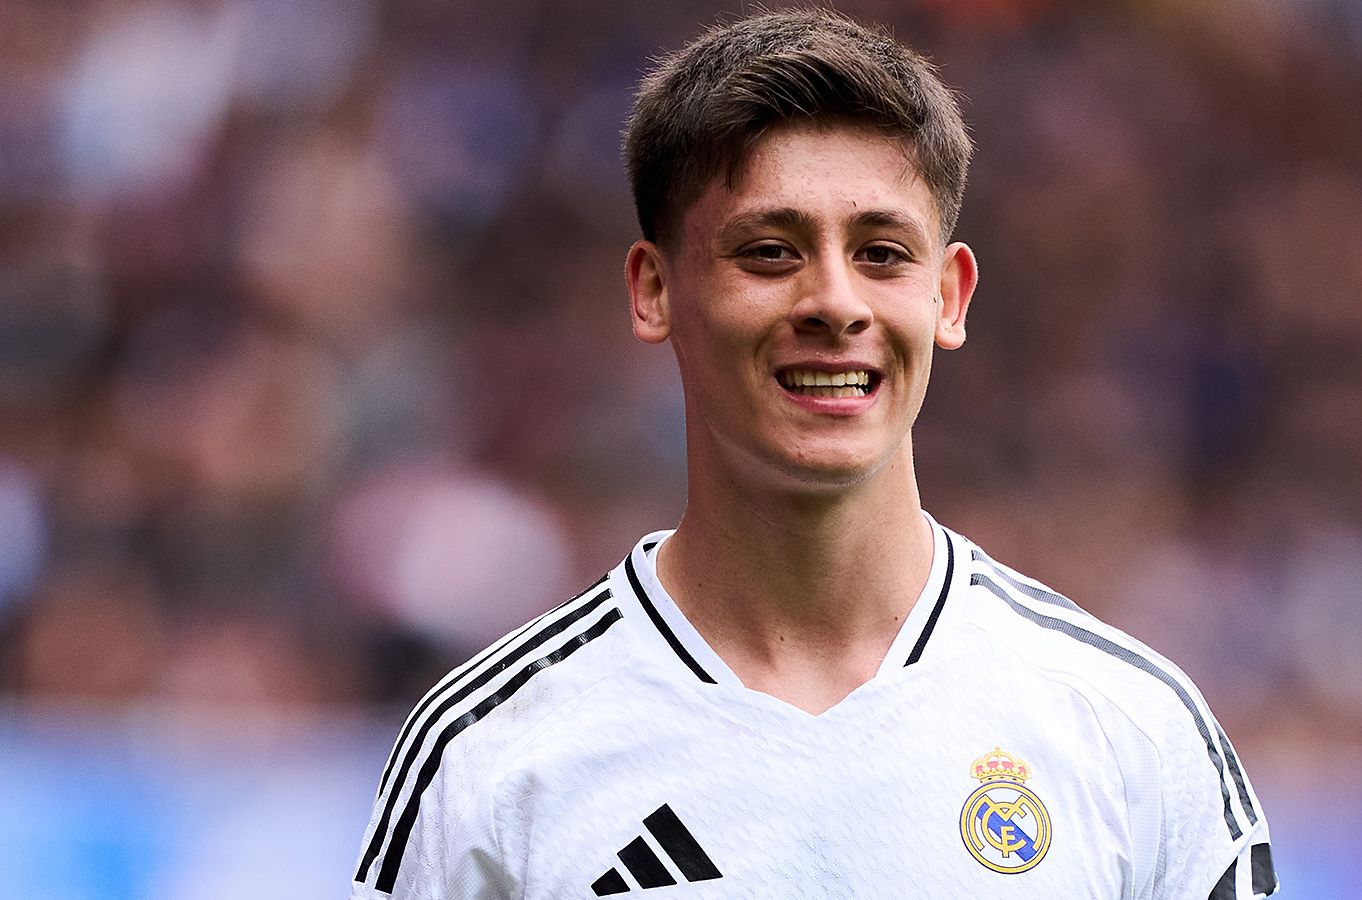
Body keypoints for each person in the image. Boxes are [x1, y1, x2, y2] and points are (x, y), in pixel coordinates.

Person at [350, 9, 1278, 899]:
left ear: (950, 295)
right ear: (654, 289)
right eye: (769, 251)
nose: (835, 302)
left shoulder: (1132, 734)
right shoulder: (491, 757)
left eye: (882, 254)